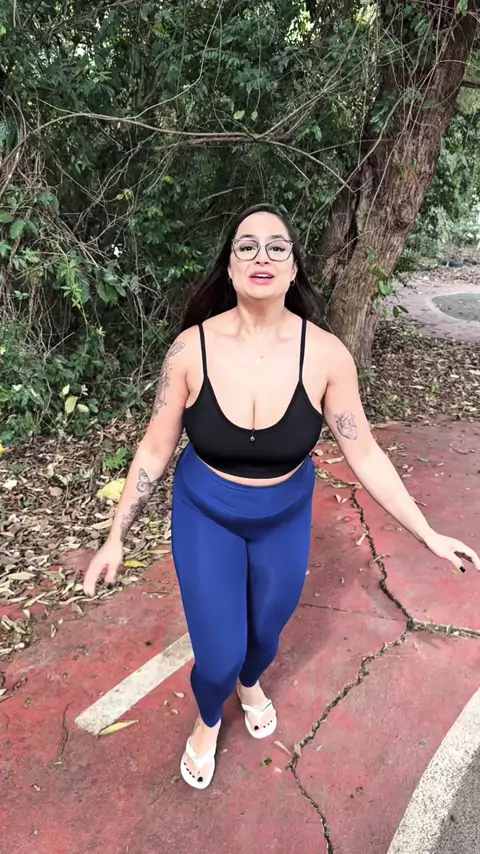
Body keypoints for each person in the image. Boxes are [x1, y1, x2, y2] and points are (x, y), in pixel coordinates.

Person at [83, 203, 480, 790]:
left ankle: (250, 683)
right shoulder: (189, 351)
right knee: (218, 655)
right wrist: (116, 537)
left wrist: (428, 533)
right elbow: (153, 449)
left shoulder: (326, 355)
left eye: (277, 246)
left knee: (265, 634)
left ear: (293, 268)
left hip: (283, 514)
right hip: (206, 512)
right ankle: (210, 717)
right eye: (246, 246)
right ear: (230, 266)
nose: (262, 255)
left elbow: (365, 453)